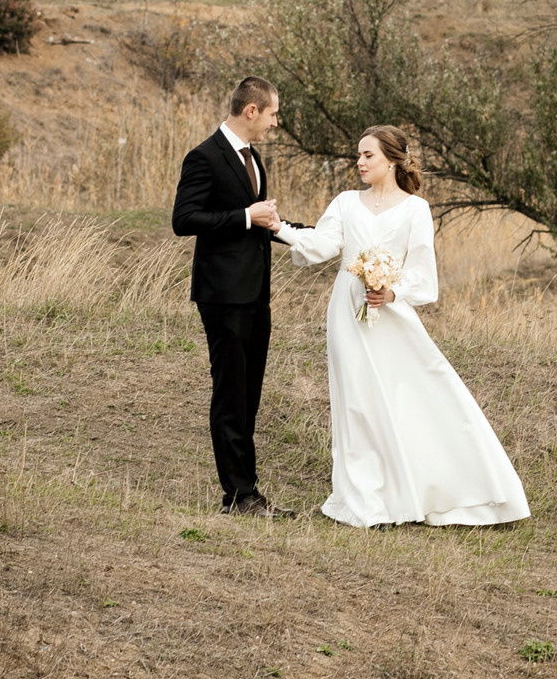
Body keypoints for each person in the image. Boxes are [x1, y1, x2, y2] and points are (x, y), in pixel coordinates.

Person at [275, 125, 528, 528]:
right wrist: (279, 228)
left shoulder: (416, 209)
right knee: (355, 400)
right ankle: (366, 498)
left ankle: (446, 485)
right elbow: (323, 246)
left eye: (368, 155)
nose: (359, 162)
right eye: (357, 155)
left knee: (412, 394)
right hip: (347, 309)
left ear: (391, 160)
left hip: (391, 316)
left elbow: (424, 277)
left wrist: (392, 293)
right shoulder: (345, 202)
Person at [170, 76, 299, 517]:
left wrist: (316, 236)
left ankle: (248, 492)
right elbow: (184, 219)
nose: (275, 123)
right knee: (231, 394)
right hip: (223, 295)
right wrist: (245, 215)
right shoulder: (204, 157)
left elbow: (262, 221)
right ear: (251, 111)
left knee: (250, 393)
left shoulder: (253, 158)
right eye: (273, 114)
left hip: (256, 295)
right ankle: (239, 496)